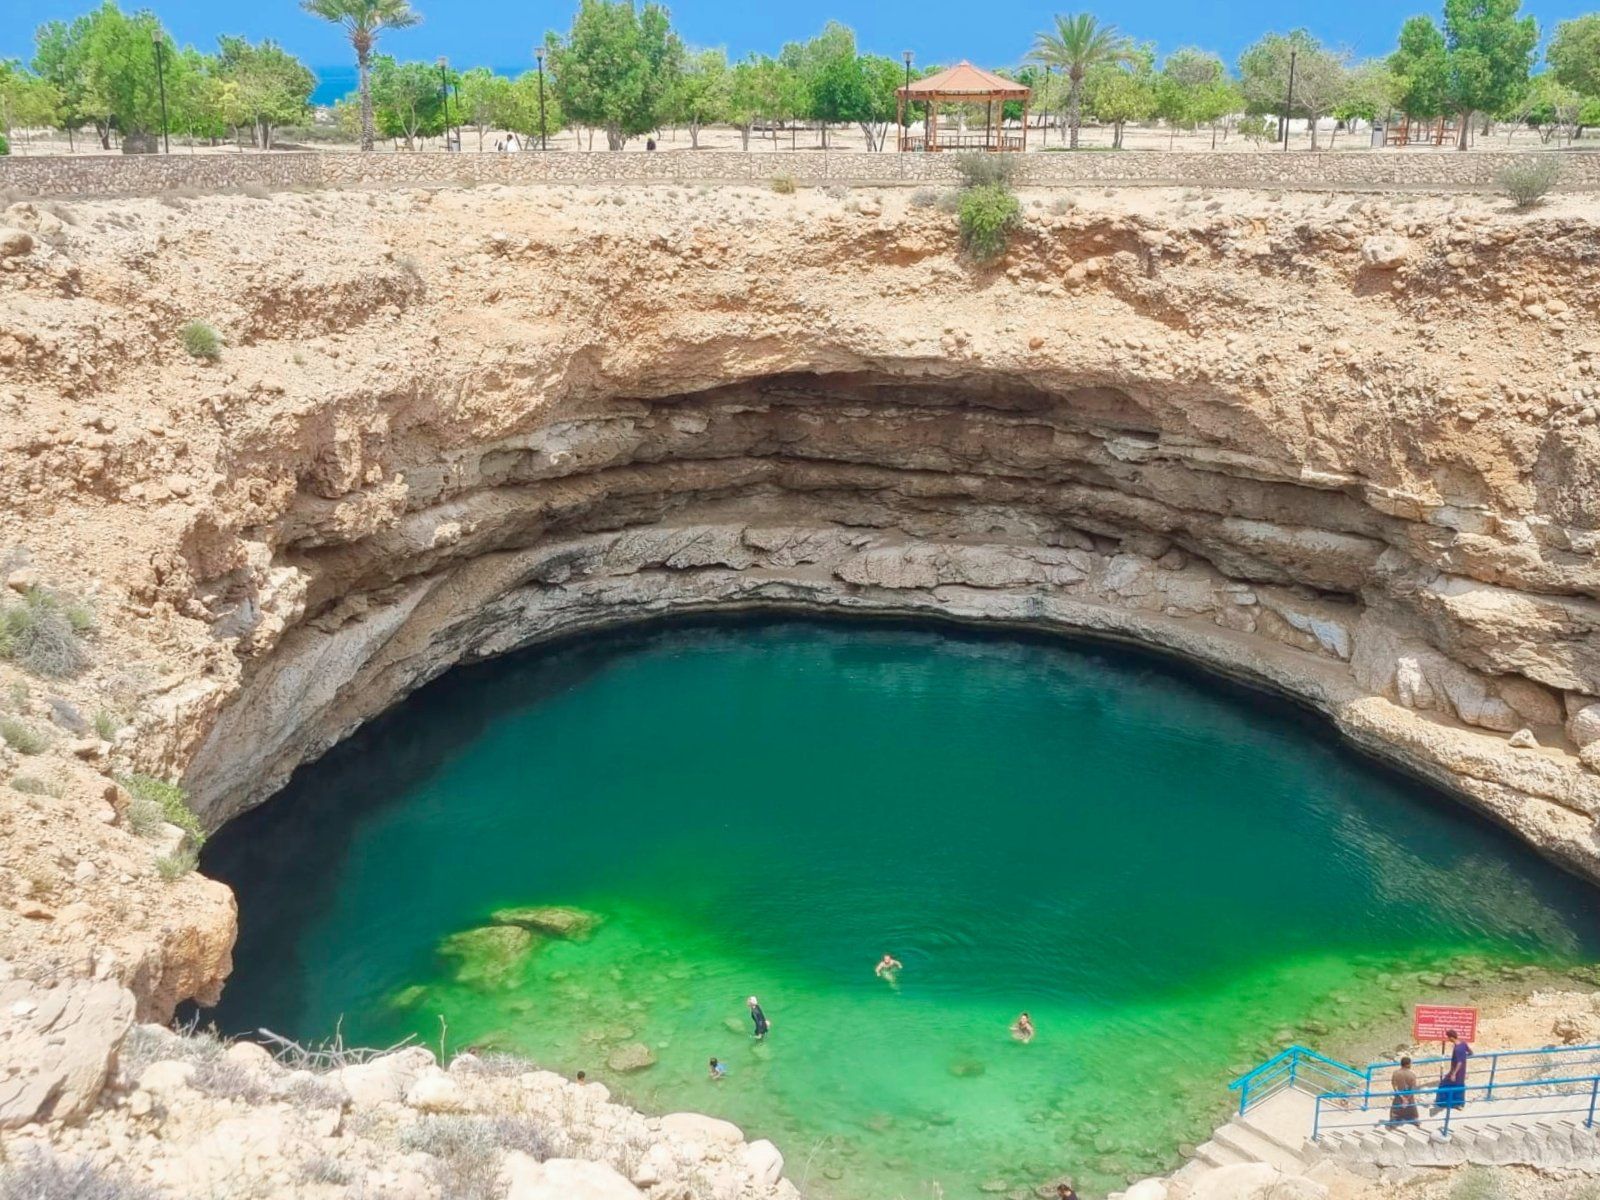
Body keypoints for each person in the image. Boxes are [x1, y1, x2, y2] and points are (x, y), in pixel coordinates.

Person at [1430, 1030, 1472, 1112]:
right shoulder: (1463, 1043)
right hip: (1462, 1071)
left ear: (1452, 1037)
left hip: (1455, 1071)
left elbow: (1459, 1063)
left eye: (1448, 1037)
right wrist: (1463, 1057)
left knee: (1444, 1085)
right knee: (1458, 1086)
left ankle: (1443, 1102)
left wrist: (1454, 1074)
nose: (1448, 1039)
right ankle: (1458, 1104)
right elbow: (1470, 1052)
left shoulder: (1457, 1049)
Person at [1388, 1056, 1420, 1126]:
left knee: (1395, 1108)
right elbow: (1413, 1088)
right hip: (1409, 1095)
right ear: (1408, 1064)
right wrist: (1407, 1098)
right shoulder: (1412, 1074)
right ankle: (1414, 1120)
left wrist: (1401, 1097)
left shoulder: (1395, 1073)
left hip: (1399, 1095)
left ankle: (1393, 1121)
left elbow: (1394, 1085)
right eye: (1410, 1063)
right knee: (1412, 1107)